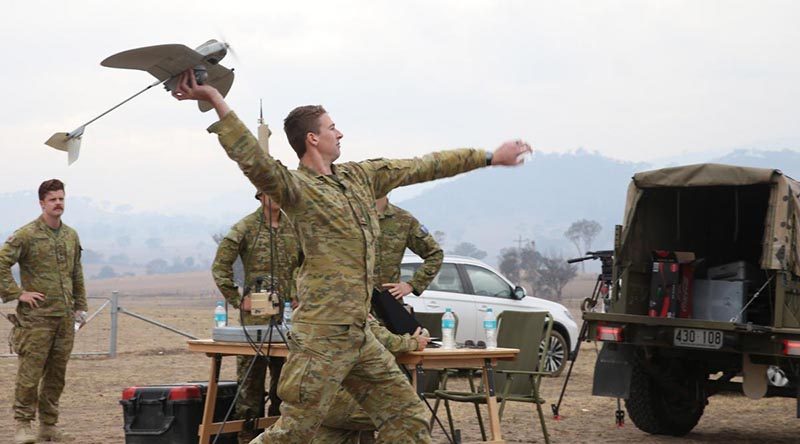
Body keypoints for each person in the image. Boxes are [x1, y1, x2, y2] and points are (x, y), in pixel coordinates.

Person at [171, 70, 532, 443]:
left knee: (407, 416)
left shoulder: (361, 176)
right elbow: (255, 163)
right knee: (294, 432)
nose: (340, 134)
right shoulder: (298, 189)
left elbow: (424, 164)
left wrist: (489, 157)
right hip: (321, 337)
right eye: (332, 128)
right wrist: (215, 99)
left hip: (359, 334)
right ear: (313, 138)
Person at [0, 179, 87, 444]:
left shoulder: (70, 235)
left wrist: (80, 306)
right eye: (52, 199)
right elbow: (2, 263)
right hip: (36, 320)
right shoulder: (27, 234)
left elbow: (76, 273)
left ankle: (48, 426)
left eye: (61, 198)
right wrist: (17, 294)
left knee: (56, 376)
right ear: (42, 203)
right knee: (30, 374)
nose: (58, 203)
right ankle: (23, 425)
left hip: (63, 319)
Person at [212, 191, 301, 444]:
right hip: (256, 322)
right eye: (270, 191)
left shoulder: (295, 227)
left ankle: (278, 433)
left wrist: (299, 293)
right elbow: (220, 266)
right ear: (260, 196)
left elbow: (308, 263)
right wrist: (238, 299)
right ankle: (247, 435)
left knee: (285, 382)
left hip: (289, 319)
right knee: (250, 384)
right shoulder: (246, 227)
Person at [313, 319, 431, 444]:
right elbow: (382, 339)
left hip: (319, 393)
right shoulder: (352, 307)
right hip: (344, 401)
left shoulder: (312, 310)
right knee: (407, 415)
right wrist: (412, 342)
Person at [375, 195, 442, 302]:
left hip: (385, 304)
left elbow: (435, 254)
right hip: (348, 306)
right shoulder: (346, 217)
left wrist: (412, 284)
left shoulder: (404, 220)